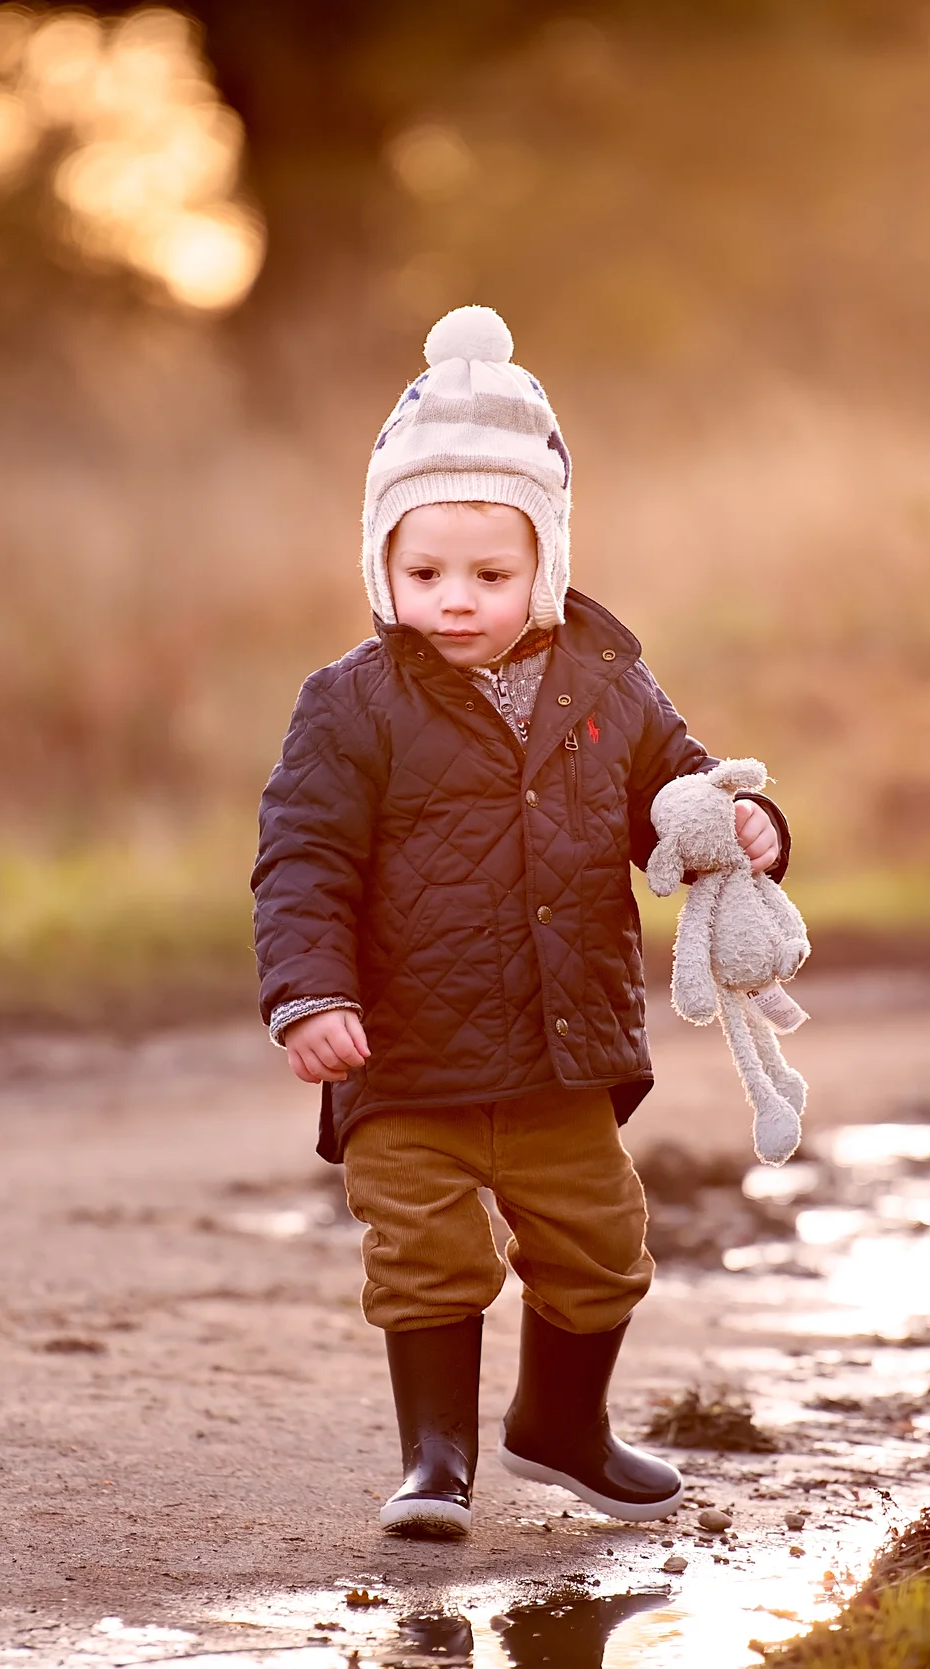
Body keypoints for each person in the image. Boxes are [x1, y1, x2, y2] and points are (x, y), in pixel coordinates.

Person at [251, 305, 789, 1538]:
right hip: (407, 1051)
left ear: (543, 561)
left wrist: (748, 829)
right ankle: (433, 1461)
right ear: (379, 563)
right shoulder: (353, 704)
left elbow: (681, 797)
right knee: (425, 1255)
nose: (452, 600)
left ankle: (563, 1423)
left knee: (601, 1246)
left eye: (488, 575)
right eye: (421, 572)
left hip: (564, 1047)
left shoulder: (607, 679)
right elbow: (302, 856)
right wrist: (308, 993)